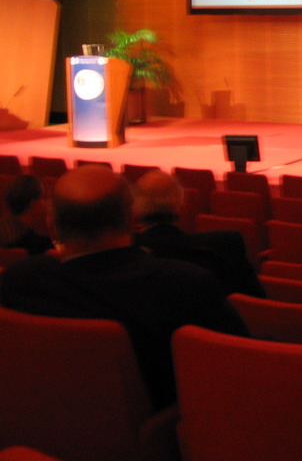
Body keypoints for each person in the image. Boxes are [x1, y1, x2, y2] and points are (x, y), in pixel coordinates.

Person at [0, 165, 248, 409]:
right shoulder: (186, 285)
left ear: (53, 225)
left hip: (37, 433)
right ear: (132, 219)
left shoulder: (20, 281)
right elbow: (241, 366)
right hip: (157, 438)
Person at [132, 170, 264, 298]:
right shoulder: (225, 245)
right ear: (181, 206)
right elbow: (254, 300)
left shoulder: (126, 252)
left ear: (135, 208)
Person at [0, 174, 53, 254]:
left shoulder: (5, 232)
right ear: (31, 203)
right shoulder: (39, 244)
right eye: (42, 198)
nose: (44, 203)